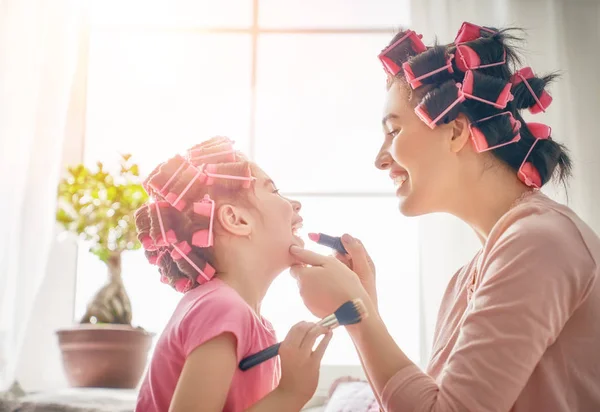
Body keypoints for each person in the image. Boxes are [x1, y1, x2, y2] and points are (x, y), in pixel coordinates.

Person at [289, 22, 600, 412]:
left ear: (455, 132)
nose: (380, 159)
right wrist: (363, 304)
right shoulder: (466, 280)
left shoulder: (539, 243)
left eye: (393, 131)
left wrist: (358, 311)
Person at [134, 136, 332, 412]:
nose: (295, 204)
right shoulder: (221, 309)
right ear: (236, 220)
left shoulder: (236, 314)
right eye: (274, 191)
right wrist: (291, 393)